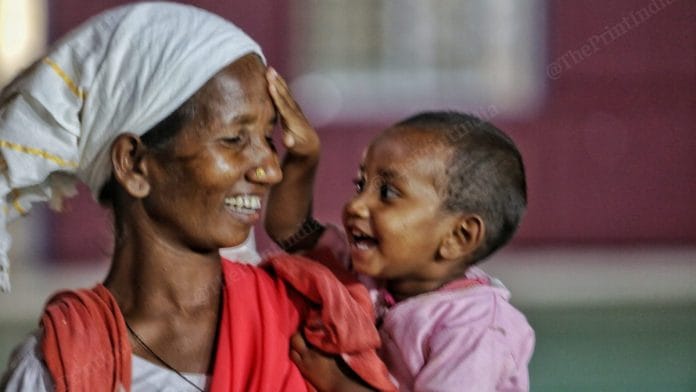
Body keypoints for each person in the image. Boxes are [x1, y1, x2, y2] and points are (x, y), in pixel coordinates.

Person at [0, 3, 394, 391]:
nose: (271, 170)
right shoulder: (59, 370)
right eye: (234, 139)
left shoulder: (313, 327)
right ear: (135, 164)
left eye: (267, 138)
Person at [264, 75, 536, 391]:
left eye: (389, 194)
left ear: (458, 236)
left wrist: (340, 384)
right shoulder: (371, 272)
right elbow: (291, 229)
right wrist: (303, 157)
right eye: (360, 185)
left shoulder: (475, 326)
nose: (356, 205)